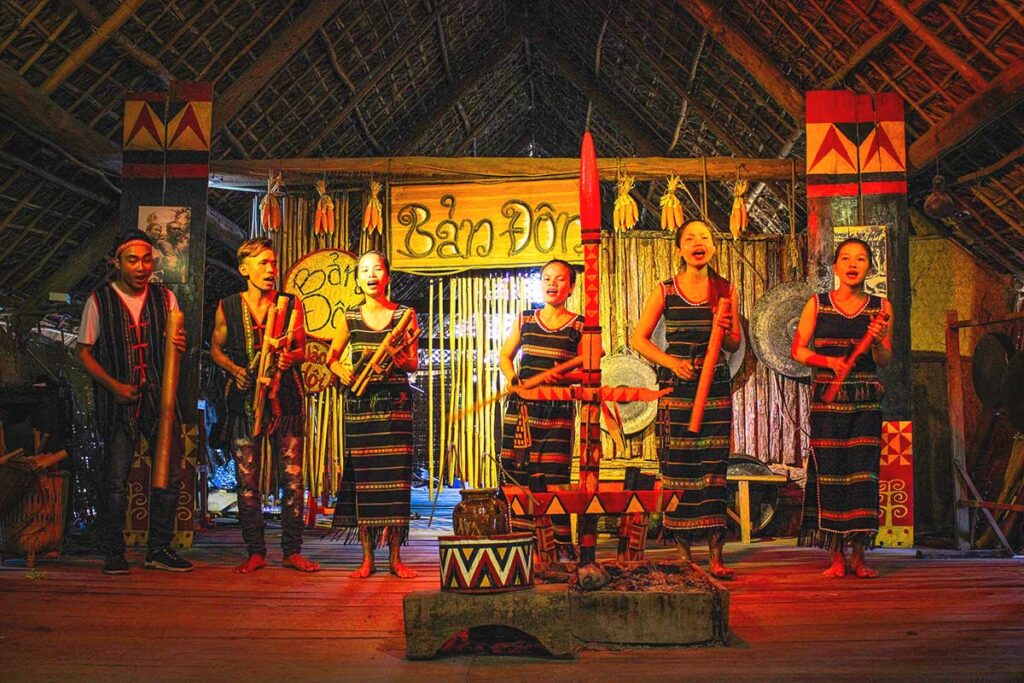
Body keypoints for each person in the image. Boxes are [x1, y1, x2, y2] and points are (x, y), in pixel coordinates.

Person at [76, 230, 192, 574]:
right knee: (114, 481)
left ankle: (159, 549)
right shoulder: (99, 301)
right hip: (118, 402)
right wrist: (114, 387)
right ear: (117, 263)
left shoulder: (165, 298)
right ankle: (114, 553)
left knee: (168, 476)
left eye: (146, 259)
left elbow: (174, 343)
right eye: (132, 260)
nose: (141, 267)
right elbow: (83, 353)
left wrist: (177, 343)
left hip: (160, 401)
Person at [631, 220, 740, 579]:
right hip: (678, 389)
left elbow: (734, 344)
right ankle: (682, 554)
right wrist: (672, 363)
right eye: (690, 238)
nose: (698, 243)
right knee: (679, 465)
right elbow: (640, 339)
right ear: (679, 249)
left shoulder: (725, 289)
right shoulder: (664, 290)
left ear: (713, 247)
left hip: (715, 387)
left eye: (705, 238)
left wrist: (723, 329)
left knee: (713, 467)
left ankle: (716, 556)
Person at [210, 238, 320, 574]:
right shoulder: (227, 306)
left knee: (293, 479)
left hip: (286, 399)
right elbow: (216, 349)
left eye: (273, 263)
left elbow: (303, 349)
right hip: (244, 403)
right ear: (244, 269)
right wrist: (237, 371)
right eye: (263, 263)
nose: (271, 269)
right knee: (247, 481)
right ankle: (255, 551)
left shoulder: (291, 304)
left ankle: (292, 551)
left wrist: (291, 357)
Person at [791, 238, 892, 578]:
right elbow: (799, 351)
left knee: (862, 475)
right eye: (846, 258)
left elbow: (885, 359)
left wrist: (876, 342)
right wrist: (827, 361)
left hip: (865, 399)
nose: (852, 264)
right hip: (828, 401)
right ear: (835, 267)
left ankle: (860, 556)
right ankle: (836, 558)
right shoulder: (817, 304)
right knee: (831, 473)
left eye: (861, 259)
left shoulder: (880, 306)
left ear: (869, 267)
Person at [328, 251, 419, 578]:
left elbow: (413, 364)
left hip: (395, 407)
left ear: (387, 276)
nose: (371, 275)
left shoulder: (405, 316)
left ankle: (395, 559)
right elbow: (332, 357)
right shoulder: (350, 316)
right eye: (364, 270)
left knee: (395, 482)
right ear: (357, 279)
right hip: (362, 408)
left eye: (377, 269)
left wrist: (398, 357)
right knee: (365, 480)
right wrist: (344, 371)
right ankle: (367, 559)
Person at [498, 259, 584, 563]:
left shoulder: (580, 325)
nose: (552, 284)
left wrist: (566, 376)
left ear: (571, 287)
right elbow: (506, 357)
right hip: (522, 411)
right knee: (520, 474)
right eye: (547, 278)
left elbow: (589, 371)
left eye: (560, 279)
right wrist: (514, 380)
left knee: (553, 476)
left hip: (557, 412)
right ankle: (523, 547)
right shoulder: (526, 320)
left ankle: (559, 546)